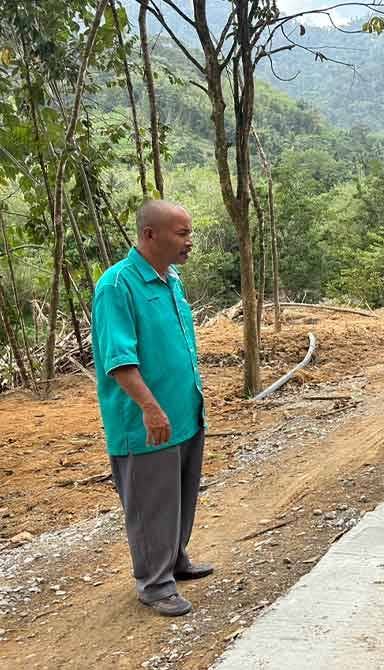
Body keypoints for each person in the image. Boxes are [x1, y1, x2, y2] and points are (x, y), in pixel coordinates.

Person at [91, 200, 212, 617]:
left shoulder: (170, 279)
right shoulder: (117, 286)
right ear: (149, 235)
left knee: (179, 496)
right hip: (147, 422)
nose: (189, 241)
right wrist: (150, 407)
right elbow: (118, 360)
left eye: (189, 232)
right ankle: (155, 584)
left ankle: (175, 560)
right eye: (182, 233)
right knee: (151, 504)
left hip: (184, 413)